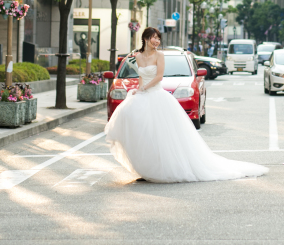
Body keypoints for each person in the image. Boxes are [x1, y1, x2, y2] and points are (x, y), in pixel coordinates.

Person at [104, 27, 267, 183]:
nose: (157, 41)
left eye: (158, 38)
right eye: (154, 38)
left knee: (162, 135)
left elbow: (159, 77)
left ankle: (164, 169)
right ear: (146, 38)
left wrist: (144, 88)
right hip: (143, 95)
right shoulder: (138, 57)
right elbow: (141, 76)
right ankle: (148, 170)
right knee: (144, 134)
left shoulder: (159, 55)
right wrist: (139, 89)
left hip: (157, 95)